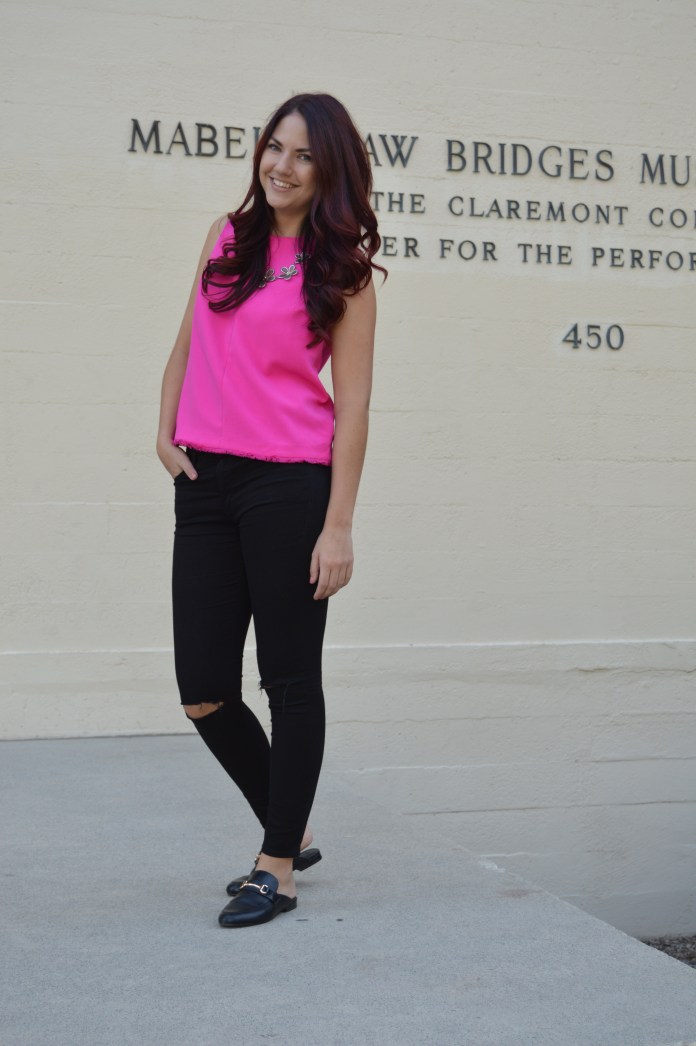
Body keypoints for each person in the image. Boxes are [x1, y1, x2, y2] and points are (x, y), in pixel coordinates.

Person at [156, 93, 385, 928]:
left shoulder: (344, 272)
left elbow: (353, 408)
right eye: (274, 147)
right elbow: (188, 342)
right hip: (206, 483)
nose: (281, 166)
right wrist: (164, 432)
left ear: (330, 171)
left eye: (303, 155)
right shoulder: (226, 235)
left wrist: (339, 525)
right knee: (203, 688)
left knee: (288, 679)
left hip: (289, 486)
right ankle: (293, 826)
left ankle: (277, 866)